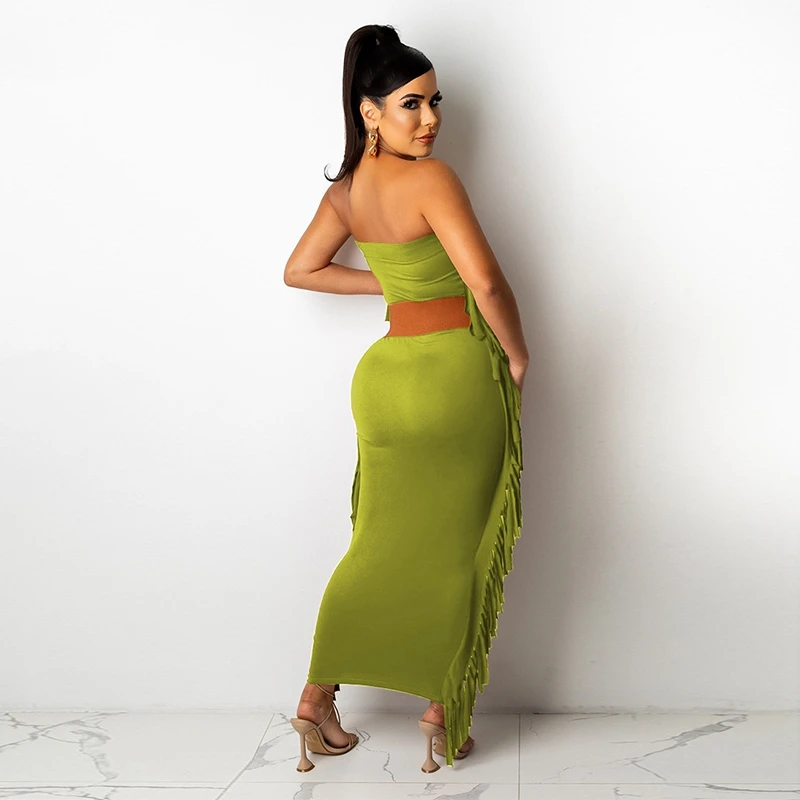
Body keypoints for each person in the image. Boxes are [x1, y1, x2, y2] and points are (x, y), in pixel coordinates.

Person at [283, 23, 529, 773]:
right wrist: (518, 355)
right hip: (454, 372)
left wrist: (394, 287)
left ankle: (315, 700)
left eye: (435, 102)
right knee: (456, 546)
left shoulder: (347, 192)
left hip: (384, 380)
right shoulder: (432, 179)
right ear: (371, 112)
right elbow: (485, 283)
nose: (430, 120)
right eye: (412, 104)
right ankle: (440, 712)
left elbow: (301, 269)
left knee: (377, 541)